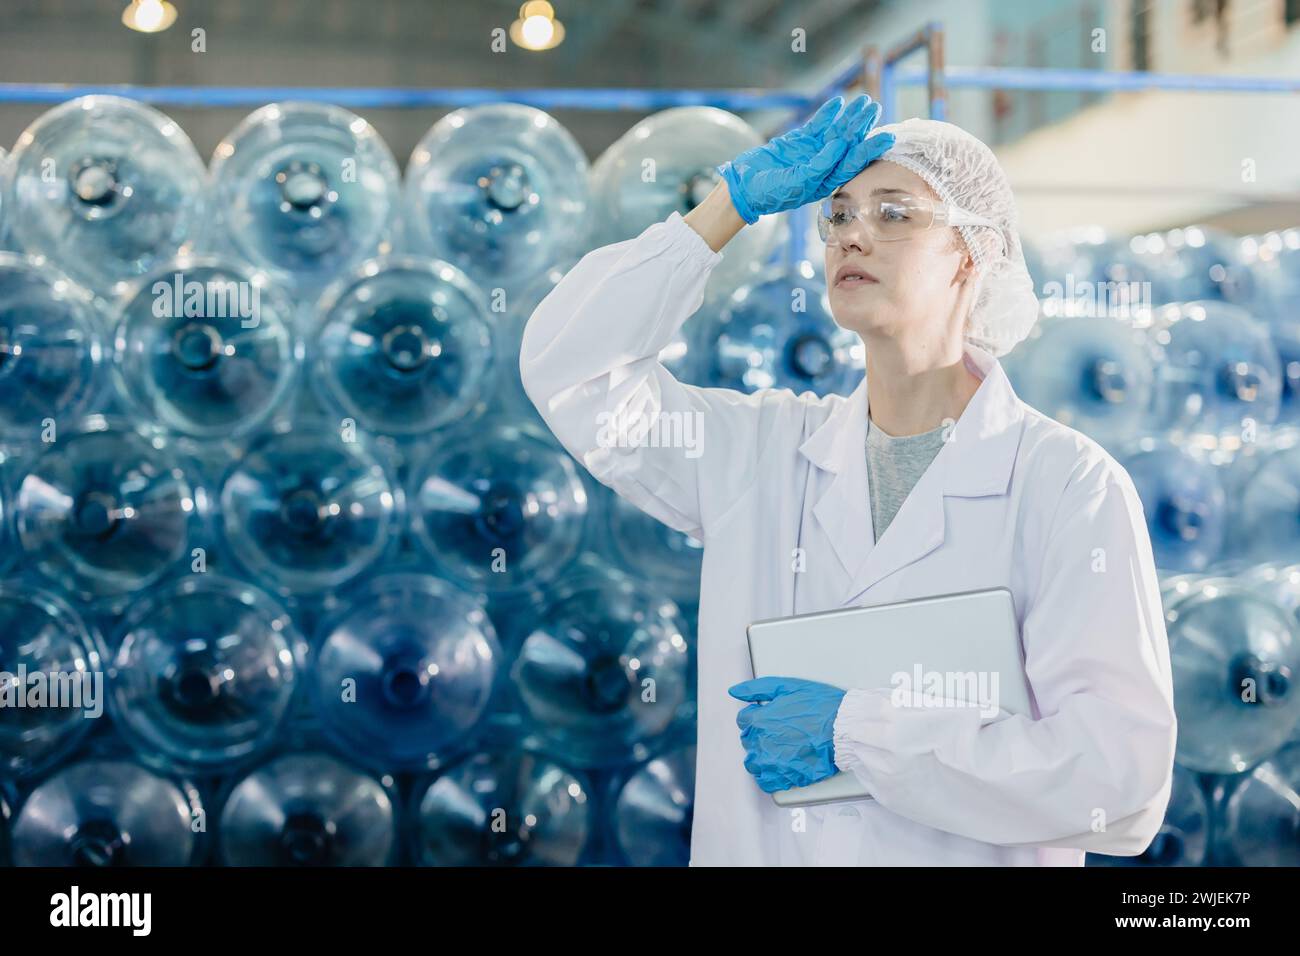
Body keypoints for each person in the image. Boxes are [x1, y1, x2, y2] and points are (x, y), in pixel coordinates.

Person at [519, 94, 1176, 866]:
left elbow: (1118, 782)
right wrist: (725, 209)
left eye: (894, 214)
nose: (853, 233)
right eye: (838, 215)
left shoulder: (1066, 485)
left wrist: (858, 734)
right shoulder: (760, 452)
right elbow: (573, 370)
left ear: (974, 252)